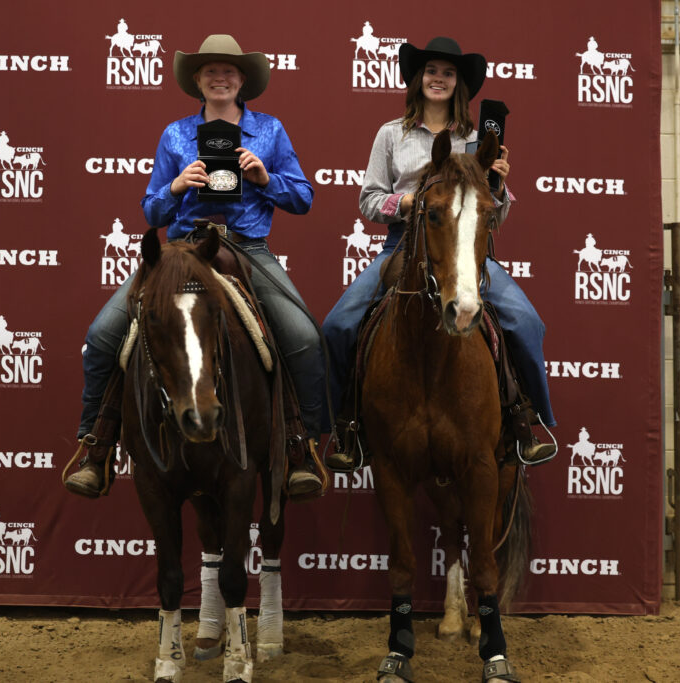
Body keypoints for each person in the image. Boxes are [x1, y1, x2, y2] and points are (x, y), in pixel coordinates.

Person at [63, 34, 325, 500]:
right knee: (104, 334)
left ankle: (300, 448)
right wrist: (178, 186)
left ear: (242, 80)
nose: (219, 78)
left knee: (304, 337)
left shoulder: (270, 130)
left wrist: (266, 178)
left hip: (247, 247)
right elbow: (151, 211)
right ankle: (95, 446)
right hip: (181, 249)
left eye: (228, 71)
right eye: (210, 72)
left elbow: (303, 198)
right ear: (198, 83)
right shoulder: (175, 134)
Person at [322, 36, 557, 469]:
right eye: (431, 71)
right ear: (418, 78)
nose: (438, 79)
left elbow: (492, 218)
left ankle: (529, 421)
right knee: (338, 326)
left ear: (459, 84)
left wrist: (498, 185)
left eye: (448, 73)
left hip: (464, 252)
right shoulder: (391, 134)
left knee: (526, 322)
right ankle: (344, 428)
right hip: (403, 247)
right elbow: (369, 200)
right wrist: (409, 203)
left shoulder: (475, 139)